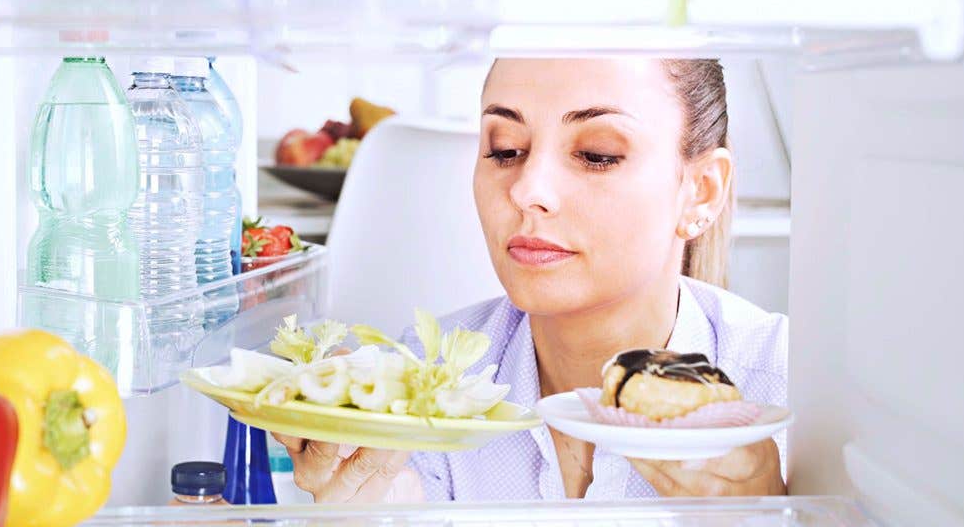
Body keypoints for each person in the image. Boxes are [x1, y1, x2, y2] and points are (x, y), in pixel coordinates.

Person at [274, 58, 788, 502]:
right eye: (506, 149)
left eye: (597, 154)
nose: (527, 190)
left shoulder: (791, 387)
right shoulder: (421, 386)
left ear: (700, 191)